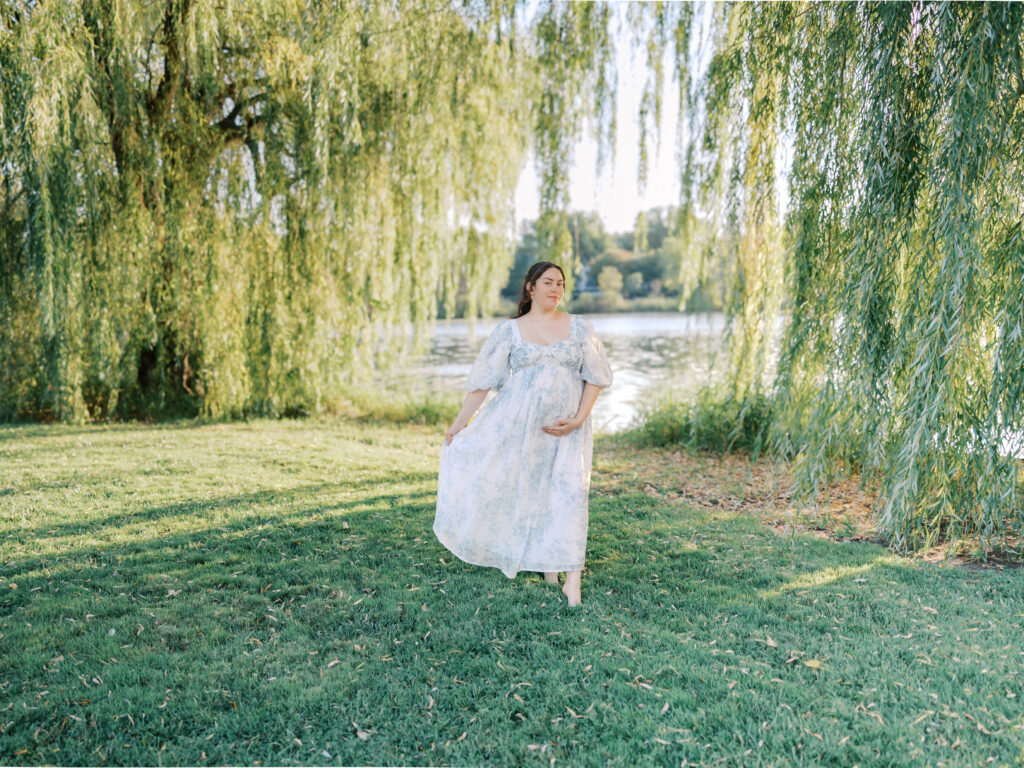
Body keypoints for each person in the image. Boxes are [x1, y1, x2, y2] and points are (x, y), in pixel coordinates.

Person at [433, 261, 613, 607]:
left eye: (560, 284)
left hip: (568, 427)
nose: (556, 289)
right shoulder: (509, 331)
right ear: (530, 287)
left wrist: (578, 418)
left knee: (570, 494)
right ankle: (549, 566)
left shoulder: (579, 327)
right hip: (521, 425)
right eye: (548, 282)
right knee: (535, 492)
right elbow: (482, 383)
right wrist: (459, 424)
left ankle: (572, 581)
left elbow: (596, 377)